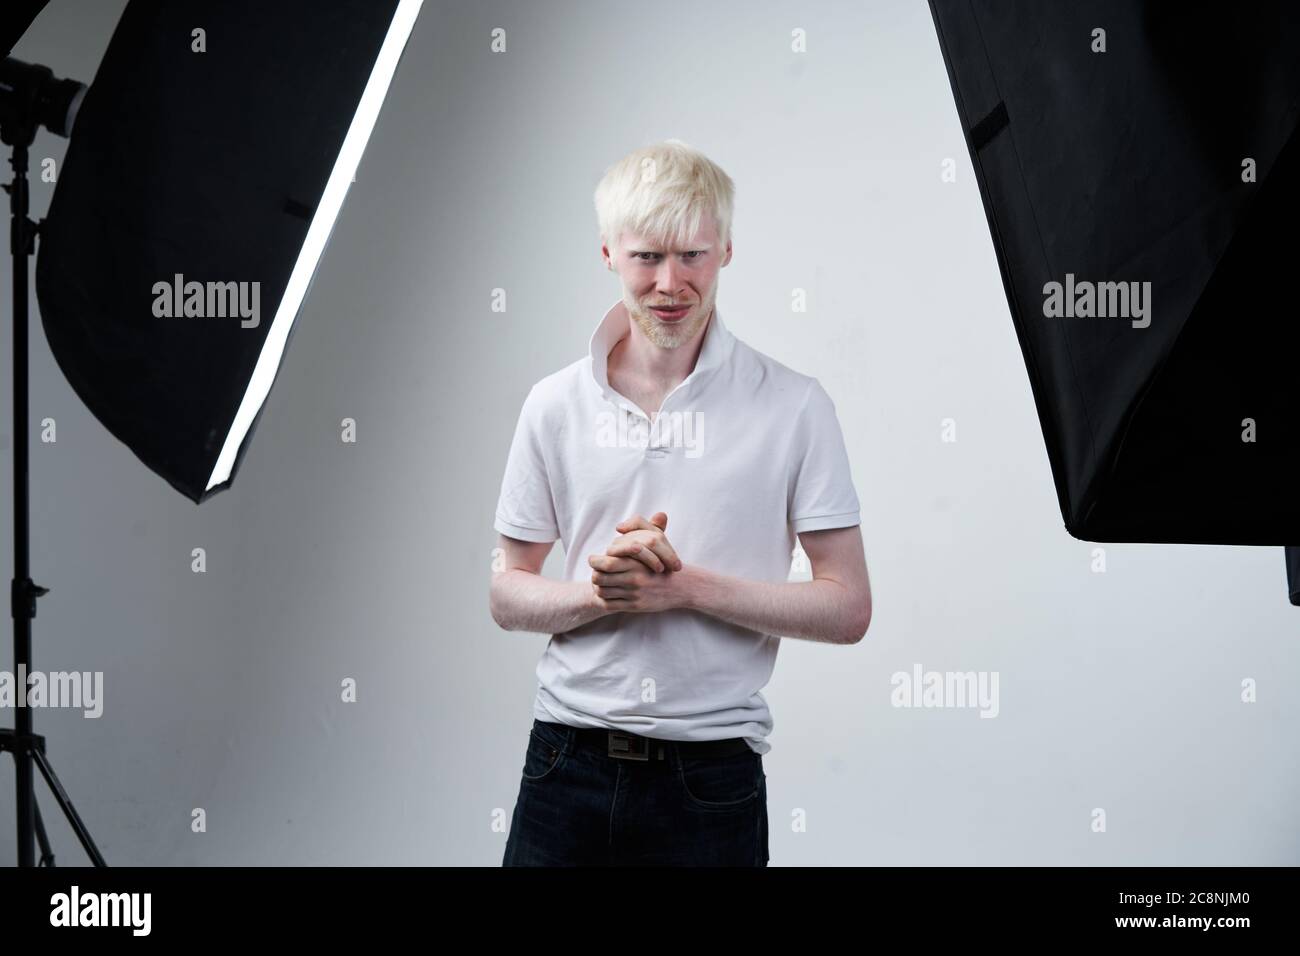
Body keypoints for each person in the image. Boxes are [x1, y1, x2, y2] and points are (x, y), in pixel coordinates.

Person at [489, 139, 871, 866]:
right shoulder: (553, 405)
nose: (671, 283)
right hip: (564, 763)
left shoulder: (794, 407)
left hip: (711, 778)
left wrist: (684, 588)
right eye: (647, 258)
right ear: (608, 253)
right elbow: (507, 594)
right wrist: (609, 595)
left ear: (726, 249)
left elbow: (848, 607)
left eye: (692, 255)